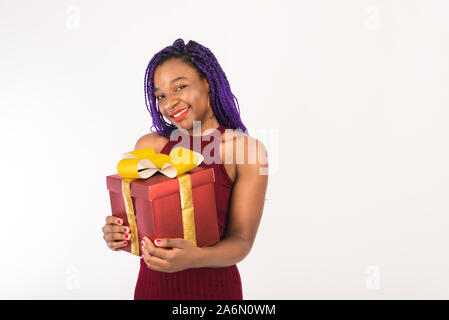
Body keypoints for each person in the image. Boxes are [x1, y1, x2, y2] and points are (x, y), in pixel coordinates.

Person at [102, 38, 268, 299]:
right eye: (161, 96)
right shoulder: (151, 147)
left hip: (213, 292)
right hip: (152, 289)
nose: (170, 104)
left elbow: (241, 241)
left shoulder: (244, 150)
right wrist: (118, 233)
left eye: (180, 87)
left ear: (208, 82)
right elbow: (138, 225)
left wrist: (195, 257)